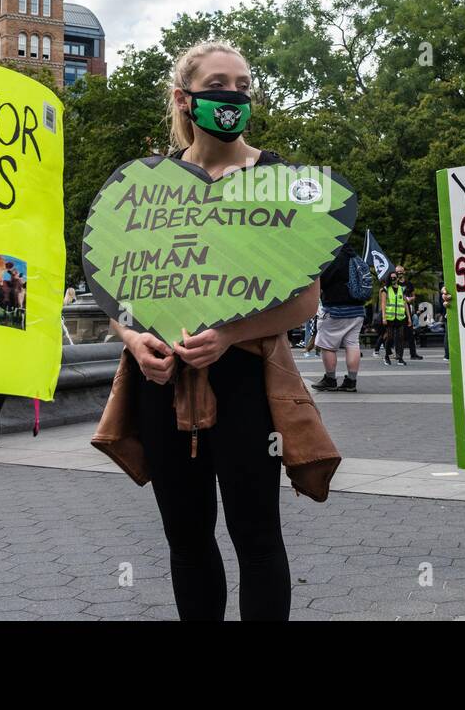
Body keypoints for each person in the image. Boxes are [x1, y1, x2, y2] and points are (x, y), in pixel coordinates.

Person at [103, 41, 325, 621]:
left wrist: (229, 334)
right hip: (162, 381)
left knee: (256, 537)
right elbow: (116, 288)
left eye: (243, 85)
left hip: (247, 381)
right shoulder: (145, 185)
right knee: (186, 539)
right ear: (184, 97)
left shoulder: (279, 179)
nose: (234, 96)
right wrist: (133, 339)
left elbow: (305, 300)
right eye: (219, 84)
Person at [311, 242, 366, 392]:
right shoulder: (355, 257)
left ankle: (330, 379)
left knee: (327, 345)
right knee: (352, 344)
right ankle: (351, 381)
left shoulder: (332, 258)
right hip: (357, 309)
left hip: (335, 308)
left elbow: (322, 281)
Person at [379, 270, 410, 367]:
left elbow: (405, 304)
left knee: (401, 337)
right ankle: (387, 356)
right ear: (389, 278)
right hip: (390, 317)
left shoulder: (402, 289)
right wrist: (384, 317)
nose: (393, 279)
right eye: (391, 278)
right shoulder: (385, 289)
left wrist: (409, 318)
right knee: (390, 337)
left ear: (397, 278)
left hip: (400, 317)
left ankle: (400, 358)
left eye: (395, 277)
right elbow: (383, 304)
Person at [395, 265, 423, 360]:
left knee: (410, 333)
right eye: (397, 272)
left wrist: (409, 299)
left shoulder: (409, 284)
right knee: (398, 334)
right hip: (397, 312)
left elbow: (414, 296)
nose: (399, 274)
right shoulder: (394, 283)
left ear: (404, 272)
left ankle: (413, 354)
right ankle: (398, 354)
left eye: (401, 272)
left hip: (408, 311)